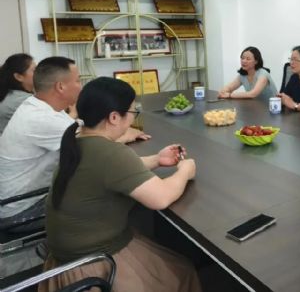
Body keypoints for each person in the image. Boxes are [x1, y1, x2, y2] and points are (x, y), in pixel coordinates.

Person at [41, 77, 200, 292]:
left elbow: (110, 172)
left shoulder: (78, 141)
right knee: (182, 273)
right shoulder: (111, 153)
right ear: (114, 117)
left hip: (67, 258)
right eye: (133, 112)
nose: (133, 118)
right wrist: (185, 171)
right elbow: (161, 197)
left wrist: (156, 160)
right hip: (93, 264)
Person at [0, 57, 149, 230]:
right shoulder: (43, 119)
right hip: (21, 210)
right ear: (60, 86)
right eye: (78, 80)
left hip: (17, 199)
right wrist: (125, 134)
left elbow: (84, 133)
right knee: (116, 192)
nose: (81, 86)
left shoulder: (36, 105)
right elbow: (96, 145)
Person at [0, 53, 35, 135]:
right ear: (19, 77)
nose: (40, 73)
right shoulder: (25, 100)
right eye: (34, 70)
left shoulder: (8, 93)